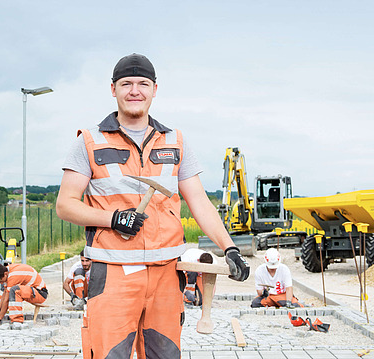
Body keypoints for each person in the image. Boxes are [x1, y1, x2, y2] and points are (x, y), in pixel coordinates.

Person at [56, 53, 250, 359]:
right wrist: (113, 218)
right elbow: (65, 205)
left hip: (166, 276)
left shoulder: (175, 141)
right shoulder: (89, 141)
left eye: (143, 83)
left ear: (154, 89)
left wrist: (229, 248)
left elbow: (199, 200)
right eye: (127, 84)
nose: (135, 90)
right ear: (113, 89)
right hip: (113, 275)